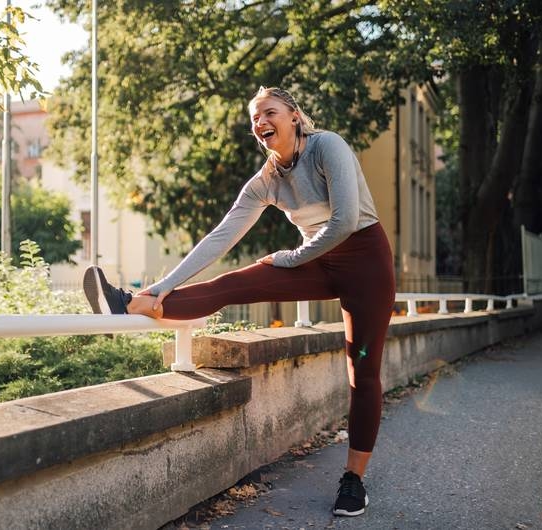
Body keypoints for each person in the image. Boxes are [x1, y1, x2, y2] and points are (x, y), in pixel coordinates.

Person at [83, 86, 395, 517]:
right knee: (236, 283)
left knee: (362, 370)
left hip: (365, 262)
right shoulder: (267, 179)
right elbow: (220, 238)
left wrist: (292, 257)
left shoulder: (328, 147)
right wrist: (165, 284)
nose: (260, 122)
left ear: (294, 117)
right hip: (317, 262)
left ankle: (354, 480)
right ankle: (136, 302)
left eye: (269, 112)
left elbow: (343, 221)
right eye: (254, 118)